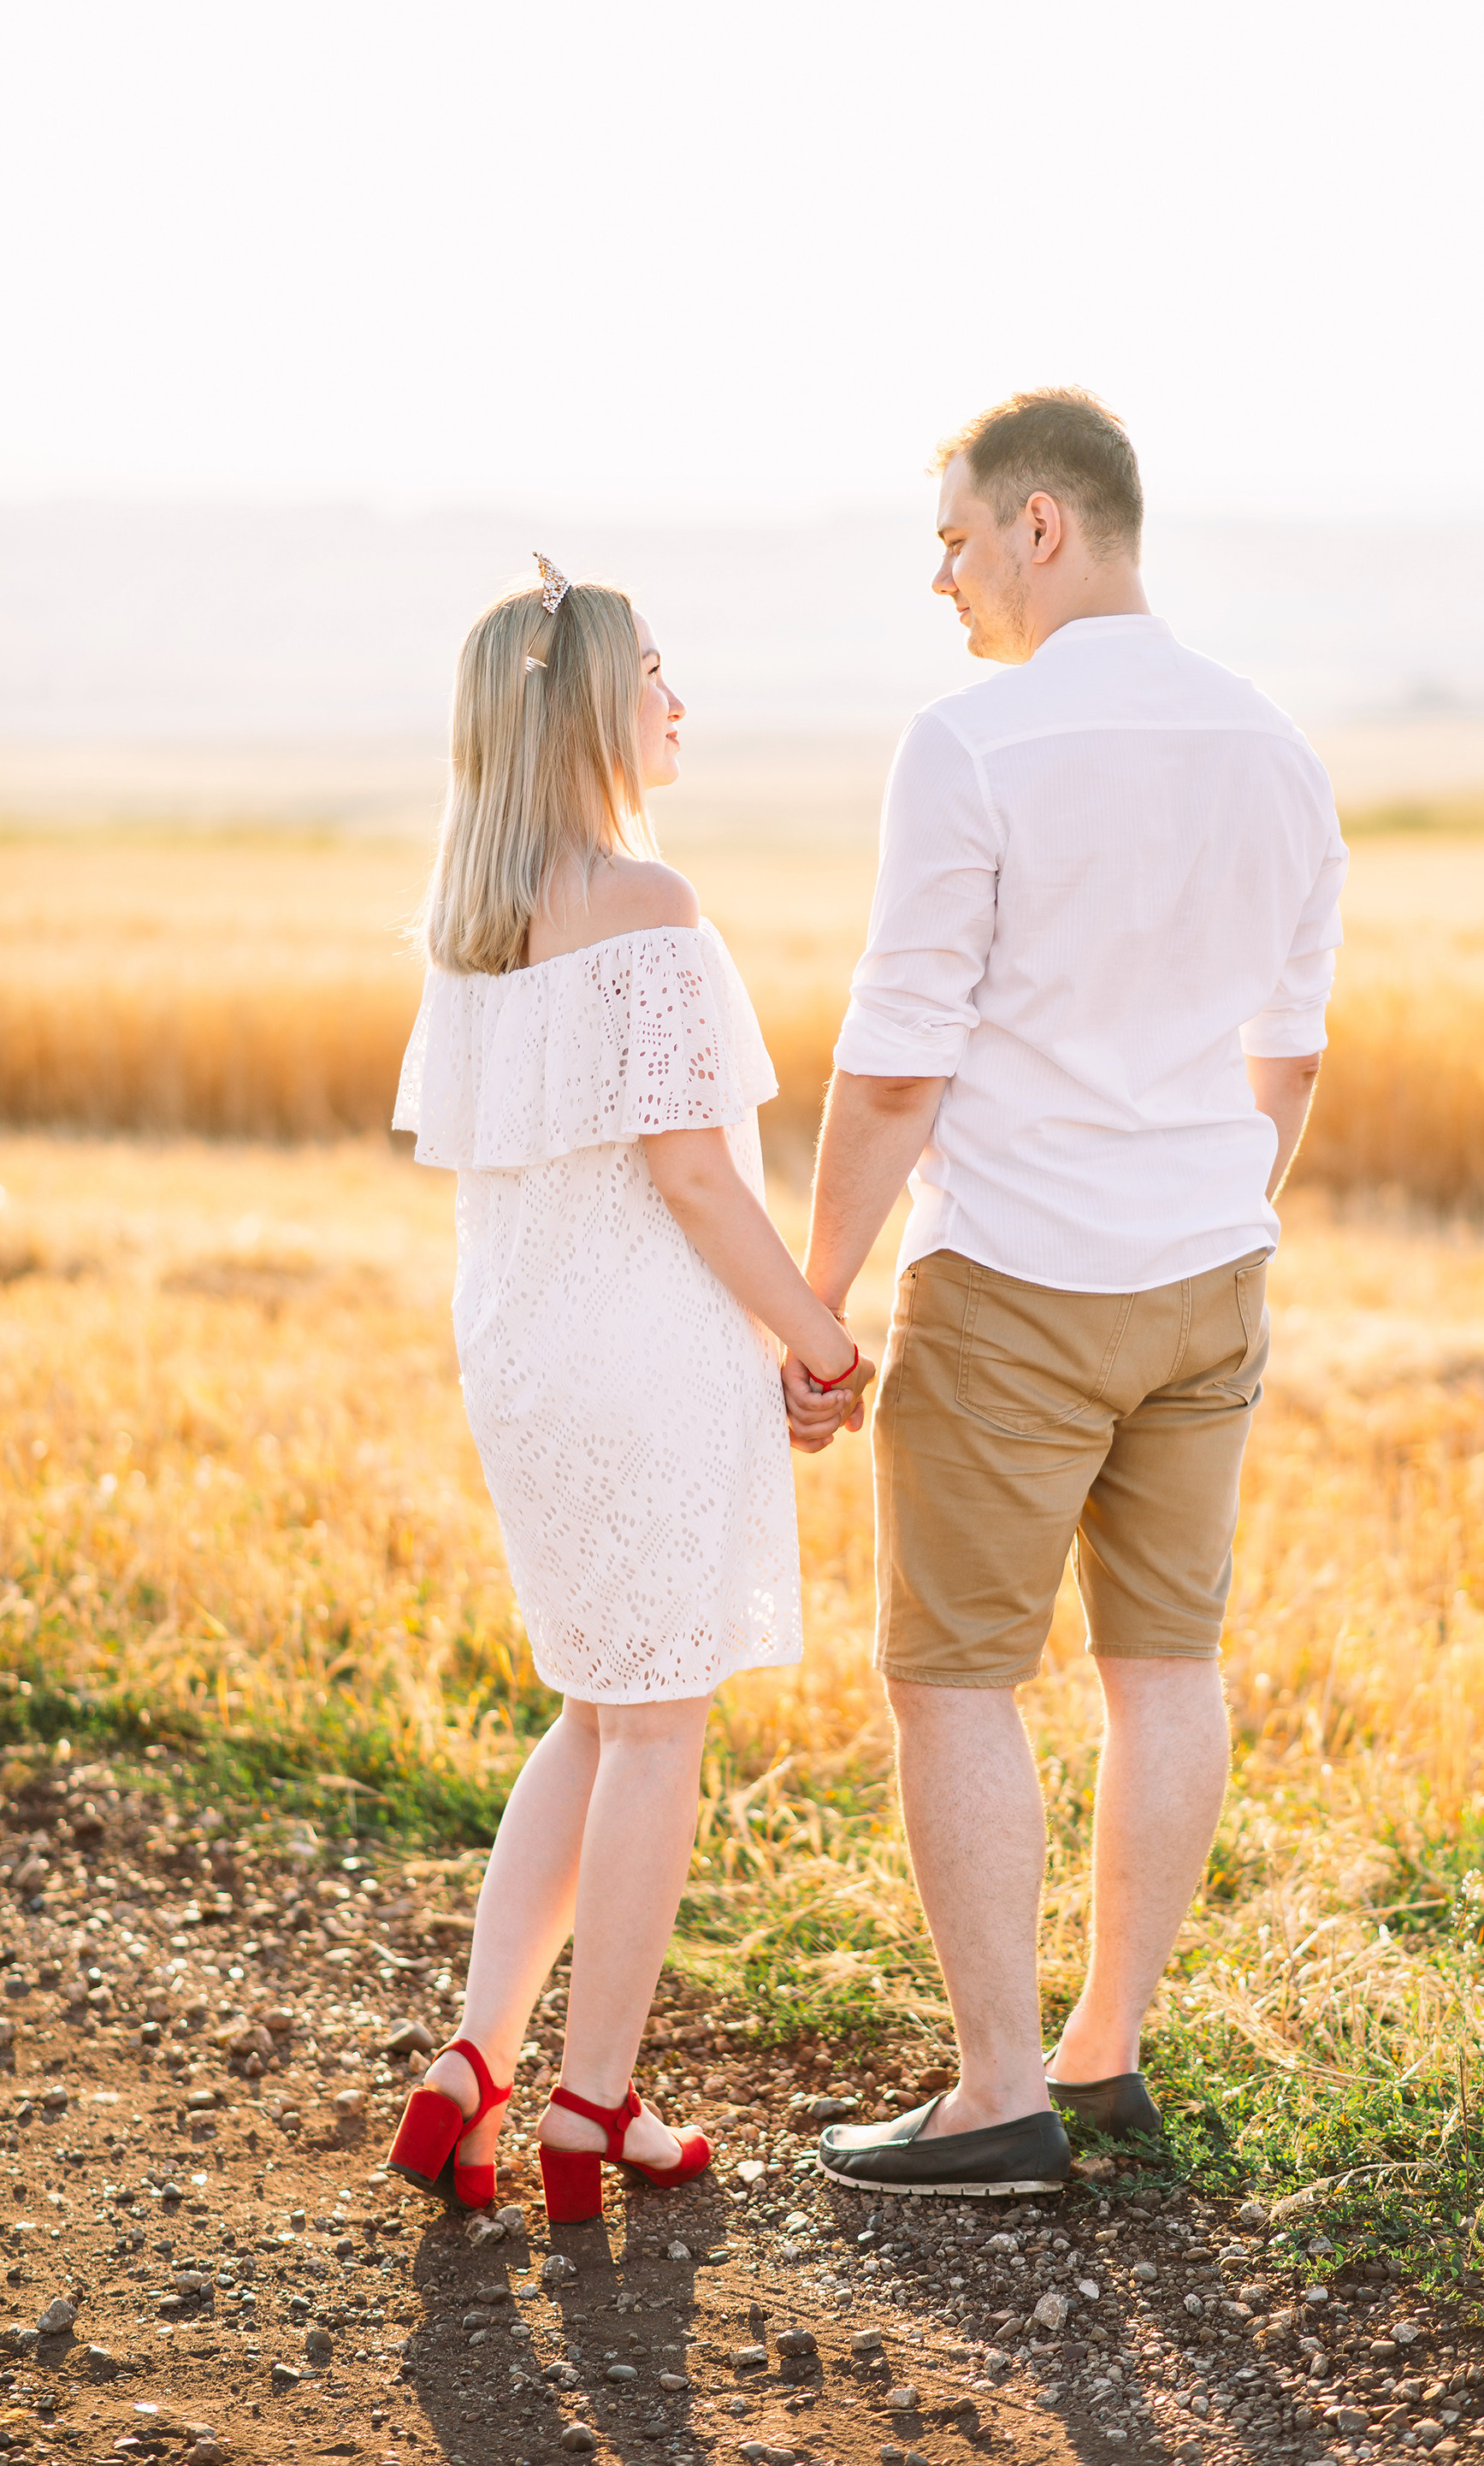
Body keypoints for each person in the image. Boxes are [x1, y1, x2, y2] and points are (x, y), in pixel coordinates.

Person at [787, 390, 1348, 2196]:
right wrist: (1215, 1201)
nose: (937, 576)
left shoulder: (971, 740)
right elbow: (1295, 1043)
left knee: (952, 1677)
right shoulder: (1273, 743)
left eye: (952, 537)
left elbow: (891, 1067)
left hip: (1017, 1278)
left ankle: (996, 2096)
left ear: (1042, 523)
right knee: (1161, 1662)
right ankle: (1106, 2051)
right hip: (1208, 1277)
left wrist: (818, 1301)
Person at [387, 555, 873, 2223]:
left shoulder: (472, 927)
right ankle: (593, 2106)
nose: (680, 701)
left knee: (593, 1705)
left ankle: (474, 2062)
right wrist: (819, 1334)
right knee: (656, 1722)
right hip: (644, 1358)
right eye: (657, 671)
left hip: (521, 1356)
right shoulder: (645, 908)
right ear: (597, 704)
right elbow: (696, 1179)